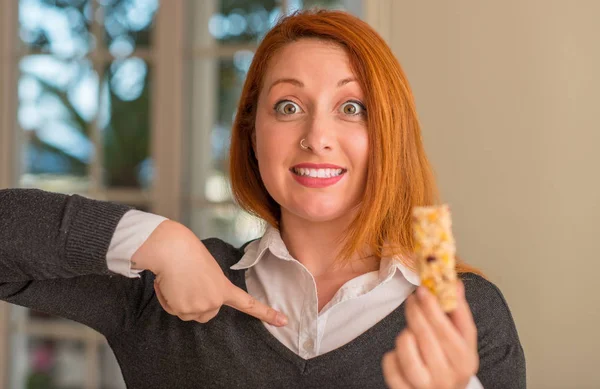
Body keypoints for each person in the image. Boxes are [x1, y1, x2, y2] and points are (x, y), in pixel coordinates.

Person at [0, 10, 525, 389]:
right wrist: (157, 239)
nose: (317, 136)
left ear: (391, 133)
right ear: (252, 133)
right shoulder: (160, 290)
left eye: (352, 108)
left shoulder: (470, 312)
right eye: (289, 105)